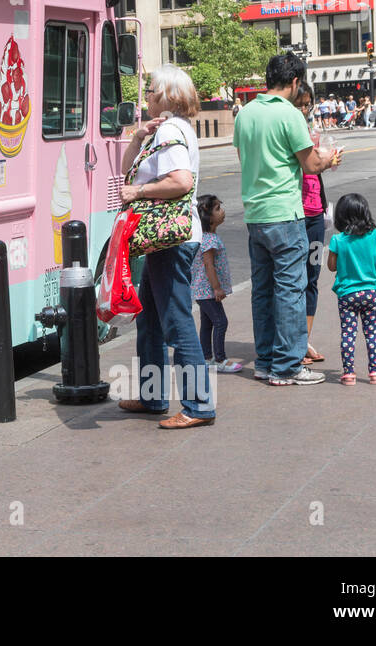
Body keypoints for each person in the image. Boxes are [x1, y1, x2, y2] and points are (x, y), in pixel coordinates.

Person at [233, 53, 343, 386]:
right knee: (291, 290)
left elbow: (245, 158)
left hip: (255, 214)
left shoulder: (245, 113)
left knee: (263, 290)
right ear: (295, 82)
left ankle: (265, 361)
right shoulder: (290, 116)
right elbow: (310, 165)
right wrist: (328, 159)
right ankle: (288, 366)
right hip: (285, 214)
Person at [116, 65, 214, 429]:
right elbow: (127, 170)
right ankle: (152, 395)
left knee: (175, 322)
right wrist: (137, 138)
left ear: (168, 96)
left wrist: (139, 192)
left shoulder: (172, 129)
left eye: (151, 91)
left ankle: (199, 406)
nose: (146, 96)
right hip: (165, 239)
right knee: (151, 320)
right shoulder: (165, 129)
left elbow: (180, 181)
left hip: (171, 239)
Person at [327, 193, 376, 385]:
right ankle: (375, 372)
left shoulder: (337, 240)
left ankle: (348, 373)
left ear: (340, 217)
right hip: (370, 292)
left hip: (347, 294)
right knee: (372, 332)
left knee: (348, 334)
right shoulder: (373, 234)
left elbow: (331, 266)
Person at [294, 81, 327, 365]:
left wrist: (326, 159)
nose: (304, 109)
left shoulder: (308, 131)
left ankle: (304, 341)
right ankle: (292, 343)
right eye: (300, 104)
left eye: (308, 104)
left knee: (312, 278)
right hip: (294, 216)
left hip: (316, 216)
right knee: (294, 279)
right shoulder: (287, 129)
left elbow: (315, 167)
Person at [193, 194, 241, 373]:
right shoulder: (210, 240)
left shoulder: (205, 237)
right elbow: (208, 265)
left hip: (201, 291)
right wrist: (217, 288)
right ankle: (220, 359)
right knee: (221, 322)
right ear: (208, 217)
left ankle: (205, 358)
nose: (223, 212)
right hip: (207, 291)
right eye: (218, 209)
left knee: (208, 323)